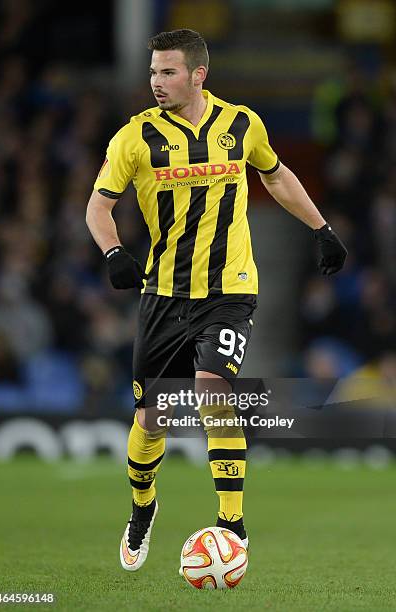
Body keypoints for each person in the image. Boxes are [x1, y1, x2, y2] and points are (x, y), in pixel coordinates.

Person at [86, 29, 347, 572]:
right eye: (153, 72)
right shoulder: (134, 139)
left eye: (168, 72)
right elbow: (98, 208)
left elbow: (274, 176)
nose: (156, 82)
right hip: (163, 292)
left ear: (198, 74)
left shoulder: (241, 124)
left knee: (212, 392)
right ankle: (141, 509)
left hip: (230, 289)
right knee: (152, 416)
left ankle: (232, 523)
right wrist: (113, 254)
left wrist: (321, 227)